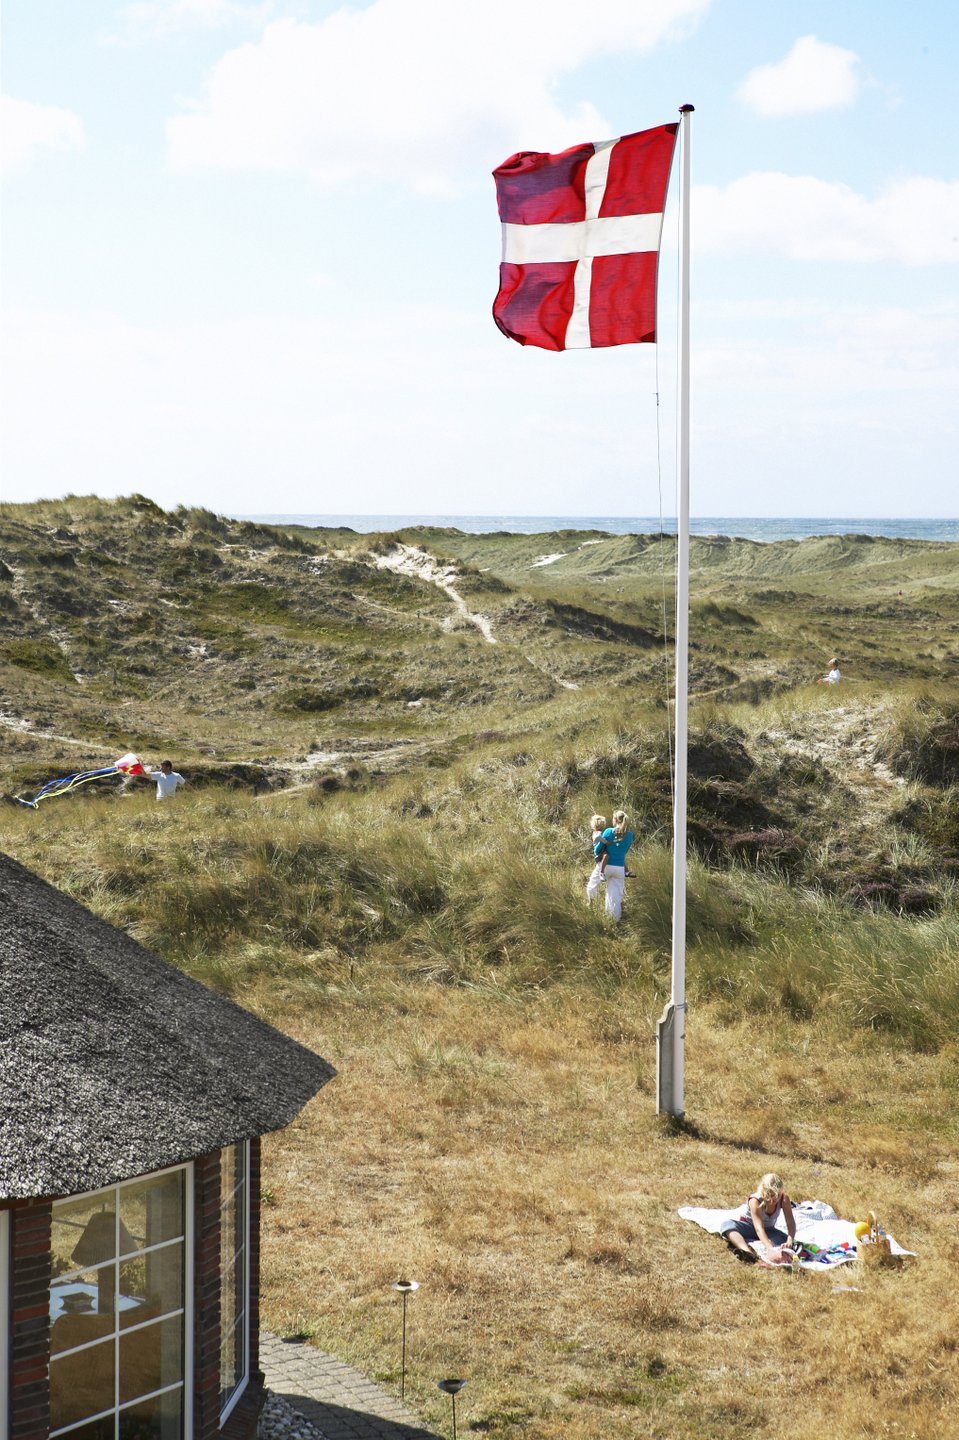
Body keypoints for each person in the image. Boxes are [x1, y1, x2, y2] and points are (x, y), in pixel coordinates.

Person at [719, 1173, 797, 1264]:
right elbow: (758, 1227)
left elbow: (790, 1221)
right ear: (763, 1191)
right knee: (727, 1225)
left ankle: (780, 1253)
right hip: (749, 1227)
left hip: (768, 1230)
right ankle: (747, 1253)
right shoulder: (755, 1200)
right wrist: (769, 1248)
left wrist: (789, 1240)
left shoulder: (784, 1199)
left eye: (777, 1196)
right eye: (770, 1195)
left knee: (788, 1239)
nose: (773, 1200)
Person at [595, 810, 633, 921]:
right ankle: (614, 919)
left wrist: (598, 853)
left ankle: (591, 903)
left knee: (593, 883)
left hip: (606, 866)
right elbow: (625, 851)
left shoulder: (608, 831)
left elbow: (597, 849)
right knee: (615, 896)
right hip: (620, 868)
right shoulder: (630, 835)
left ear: (615, 820)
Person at [585, 814, 608, 905]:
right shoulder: (600, 833)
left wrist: (606, 842)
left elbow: (598, 838)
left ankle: (591, 903)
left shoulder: (598, 834)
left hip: (601, 862)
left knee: (592, 884)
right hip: (604, 860)